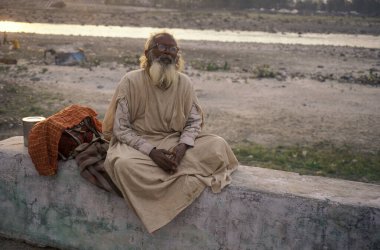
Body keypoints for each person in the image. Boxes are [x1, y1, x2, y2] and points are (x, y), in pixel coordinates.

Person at [102, 31, 238, 233]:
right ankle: (176, 177)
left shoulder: (184, 83)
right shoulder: (130, 81)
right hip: (138, 145)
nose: (168, 53)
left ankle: (174, 165)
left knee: (218, 145)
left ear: (177, 56)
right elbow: (120, 129)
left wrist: (182, 147)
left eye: (173, 49)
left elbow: (194, 122)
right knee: (123, 164)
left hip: (174, 142)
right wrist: (152, 152)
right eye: (162, 47)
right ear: (148, 53)